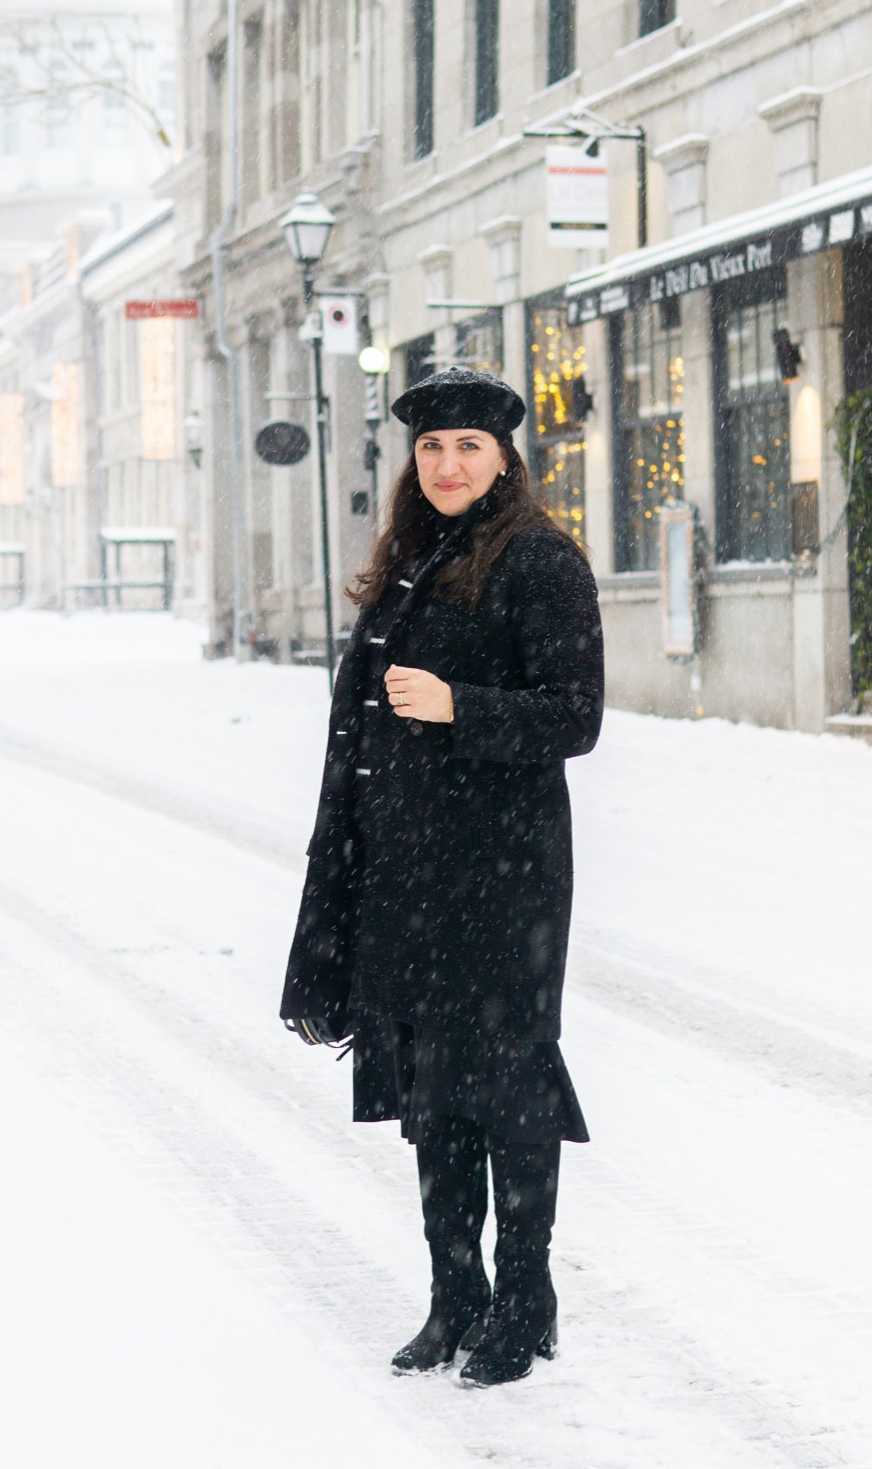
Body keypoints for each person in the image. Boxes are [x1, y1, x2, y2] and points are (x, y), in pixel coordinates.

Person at [280, 366, 604, 1388]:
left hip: (503, 877)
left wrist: (462, 704)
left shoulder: (540, 559)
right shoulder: (411, 561)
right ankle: (452, 1293)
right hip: (411, 874)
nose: (448, 462)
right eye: (430, 448)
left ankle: (523, 1295)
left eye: (467, 445)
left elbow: (574, 714)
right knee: (434, 1093)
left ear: (504, 455)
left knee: (506, 1084)